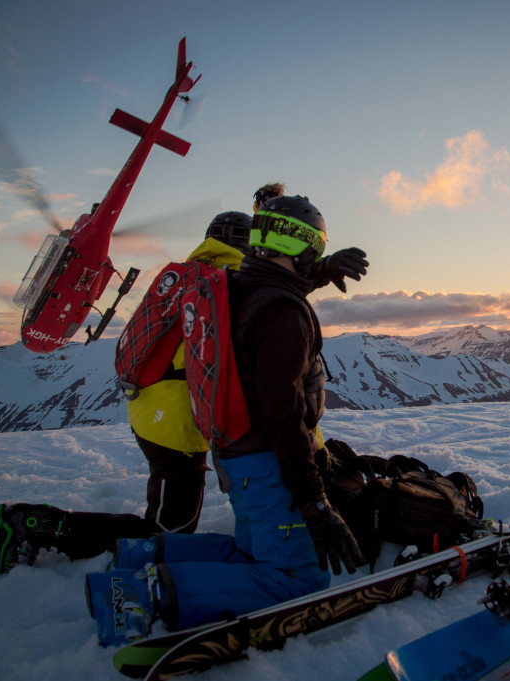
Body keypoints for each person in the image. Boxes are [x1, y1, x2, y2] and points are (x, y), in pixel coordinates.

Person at [84, 195, 365, 647]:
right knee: (298, 581)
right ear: (307, 248)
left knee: (249, 552)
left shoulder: (232, 285)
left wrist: (313, 273)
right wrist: (315, 505)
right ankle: (142, 597)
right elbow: (284, 416)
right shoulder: (284, 314)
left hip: (237, 459)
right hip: (270, 465)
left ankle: (144, 553)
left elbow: (268, 293)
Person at [0, 211, 254, 574]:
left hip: (150, 408)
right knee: (167, 532)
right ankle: (33, 524)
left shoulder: (185, 273)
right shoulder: (228, 283)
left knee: (172, 523)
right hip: (175, 422)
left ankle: (40, 526)